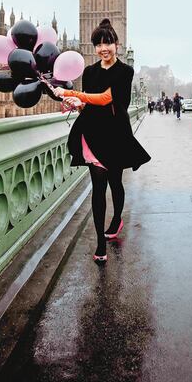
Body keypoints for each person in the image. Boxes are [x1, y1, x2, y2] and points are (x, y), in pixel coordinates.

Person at [53, 18, 151, 264]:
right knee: (98, 188)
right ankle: (99, 242)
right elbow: (89, 104)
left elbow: (108, 98)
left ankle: (116, 218)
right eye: (98, 44)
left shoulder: (125, 72)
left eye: (107, 43)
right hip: (94, 134)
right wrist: (74, 104)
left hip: (116, 134)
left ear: (116, 44)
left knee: (115, 182)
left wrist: (70, 92)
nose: (103, 48)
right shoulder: (89, 72)